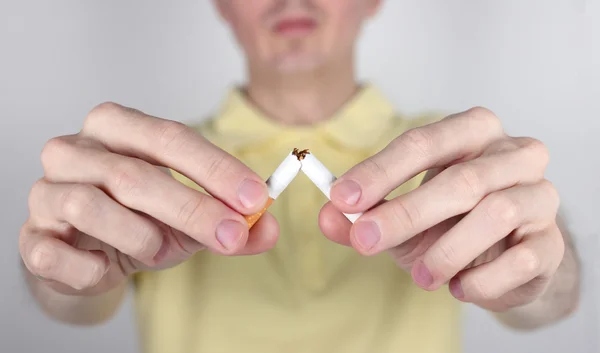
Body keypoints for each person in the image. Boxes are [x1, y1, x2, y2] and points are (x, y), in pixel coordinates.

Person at [19, 1, 580, 352]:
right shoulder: (146, 171)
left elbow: (552, 305)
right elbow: (73, 307)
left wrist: (534, 268)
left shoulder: (455, 160)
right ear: (222, 5)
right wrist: (64, 262)